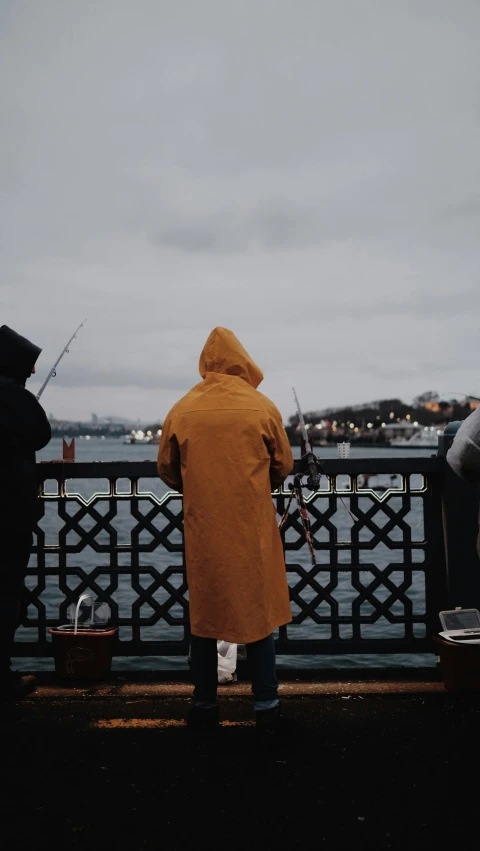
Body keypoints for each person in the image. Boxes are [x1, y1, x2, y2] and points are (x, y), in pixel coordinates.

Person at [157, 327, 294, 741]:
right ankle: (267, 709)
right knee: (259, 618)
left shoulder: (183, 408)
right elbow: (283, 465)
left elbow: (166, 469)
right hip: (251, 528)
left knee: (204, 618)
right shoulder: (261, 406)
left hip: (205, 530)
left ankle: (204, 707)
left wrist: (198, 485)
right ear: (242, 361)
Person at [0, 325, 51, 699]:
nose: (33, 373)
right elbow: (42, 432)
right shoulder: (13, 399)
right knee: (7, 594)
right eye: (28, 366)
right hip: (9, 517)